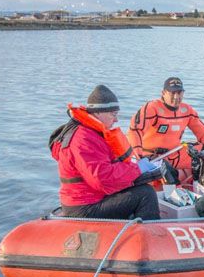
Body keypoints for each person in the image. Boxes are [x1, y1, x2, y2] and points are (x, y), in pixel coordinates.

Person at [49, 84, 162, 220]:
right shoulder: (83, 139)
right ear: (98, 113)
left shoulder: (90, 133)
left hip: (92, 198)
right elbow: (103, 179)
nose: (116, 120)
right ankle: (151, 237)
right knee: (146, 194)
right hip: (84, 207)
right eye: (113, 114)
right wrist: (137, 169)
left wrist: (138, 172)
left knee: (140, 186)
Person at [127, 77, 204, 183]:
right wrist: (139, 157)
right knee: (167, 170)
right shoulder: (152, 108)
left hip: (175, 154)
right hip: (152, 157)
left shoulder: (187, 110)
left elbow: (203, 133)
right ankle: (174, 192)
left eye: (179, 92)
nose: (176, 97)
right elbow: (135, 131)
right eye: (172, 93)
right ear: (163, 93)